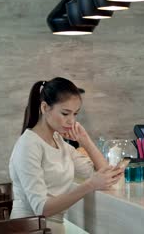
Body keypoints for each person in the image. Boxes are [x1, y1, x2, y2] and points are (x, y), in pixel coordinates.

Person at [9, 77, 123, 233]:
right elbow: (41, 209)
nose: (71, 121)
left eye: (75, 114)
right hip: (30, 229)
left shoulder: (59, 141)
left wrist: (85, 140)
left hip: (53, 229)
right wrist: (90, 185)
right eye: (65, 113)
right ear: (44, 108)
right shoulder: (29, 145)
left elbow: (105, 175)